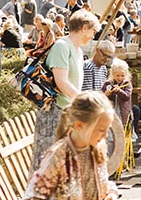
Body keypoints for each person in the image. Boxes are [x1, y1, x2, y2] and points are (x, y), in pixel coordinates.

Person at [30, 10, 100, 175]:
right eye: (93, 31)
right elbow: (62, 82)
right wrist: (84, 101)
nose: (93, 36)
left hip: (67, 112)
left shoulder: (77, 50)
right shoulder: (62, 46)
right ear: (84, 28)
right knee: (46, 160)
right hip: (53, 113)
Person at [105, 59, 133, 128]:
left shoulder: (127, 84)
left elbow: (127, 96)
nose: (120, 78)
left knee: (123, 127)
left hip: (123, 111)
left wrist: (119, 91)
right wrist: (106, 94)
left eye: (122, 75)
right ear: (113, 74)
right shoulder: (108, 83)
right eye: (117, 75)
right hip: (112, 110)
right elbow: (102, 96)